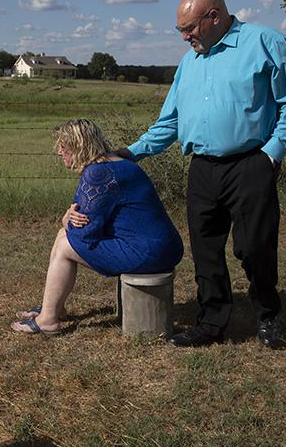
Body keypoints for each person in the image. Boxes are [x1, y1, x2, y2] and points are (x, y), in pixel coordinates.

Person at [116, 0, 286, 349]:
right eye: (180, 30)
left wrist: (270, 155)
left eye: (188, 28)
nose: (185, 37)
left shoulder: (265, 43)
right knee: (205, 251)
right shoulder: (190, 63)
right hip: (203, 169)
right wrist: (131, 152)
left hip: (251, 164)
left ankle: (268, 315)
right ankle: (211, 324)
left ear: (214, 17)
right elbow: (170, 122)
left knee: (254, 247)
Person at [11, 119, 183, 335]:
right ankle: (54, 308)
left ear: (79, 146)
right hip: (162, 246)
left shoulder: (99, 174)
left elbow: (85, 231)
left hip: (148, 253)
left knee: (65, 244)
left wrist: (66, 219)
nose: (58, 152)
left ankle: (48, 320)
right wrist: (70, 222)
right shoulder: (117, 163)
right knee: (62, 235)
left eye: (63, 147)